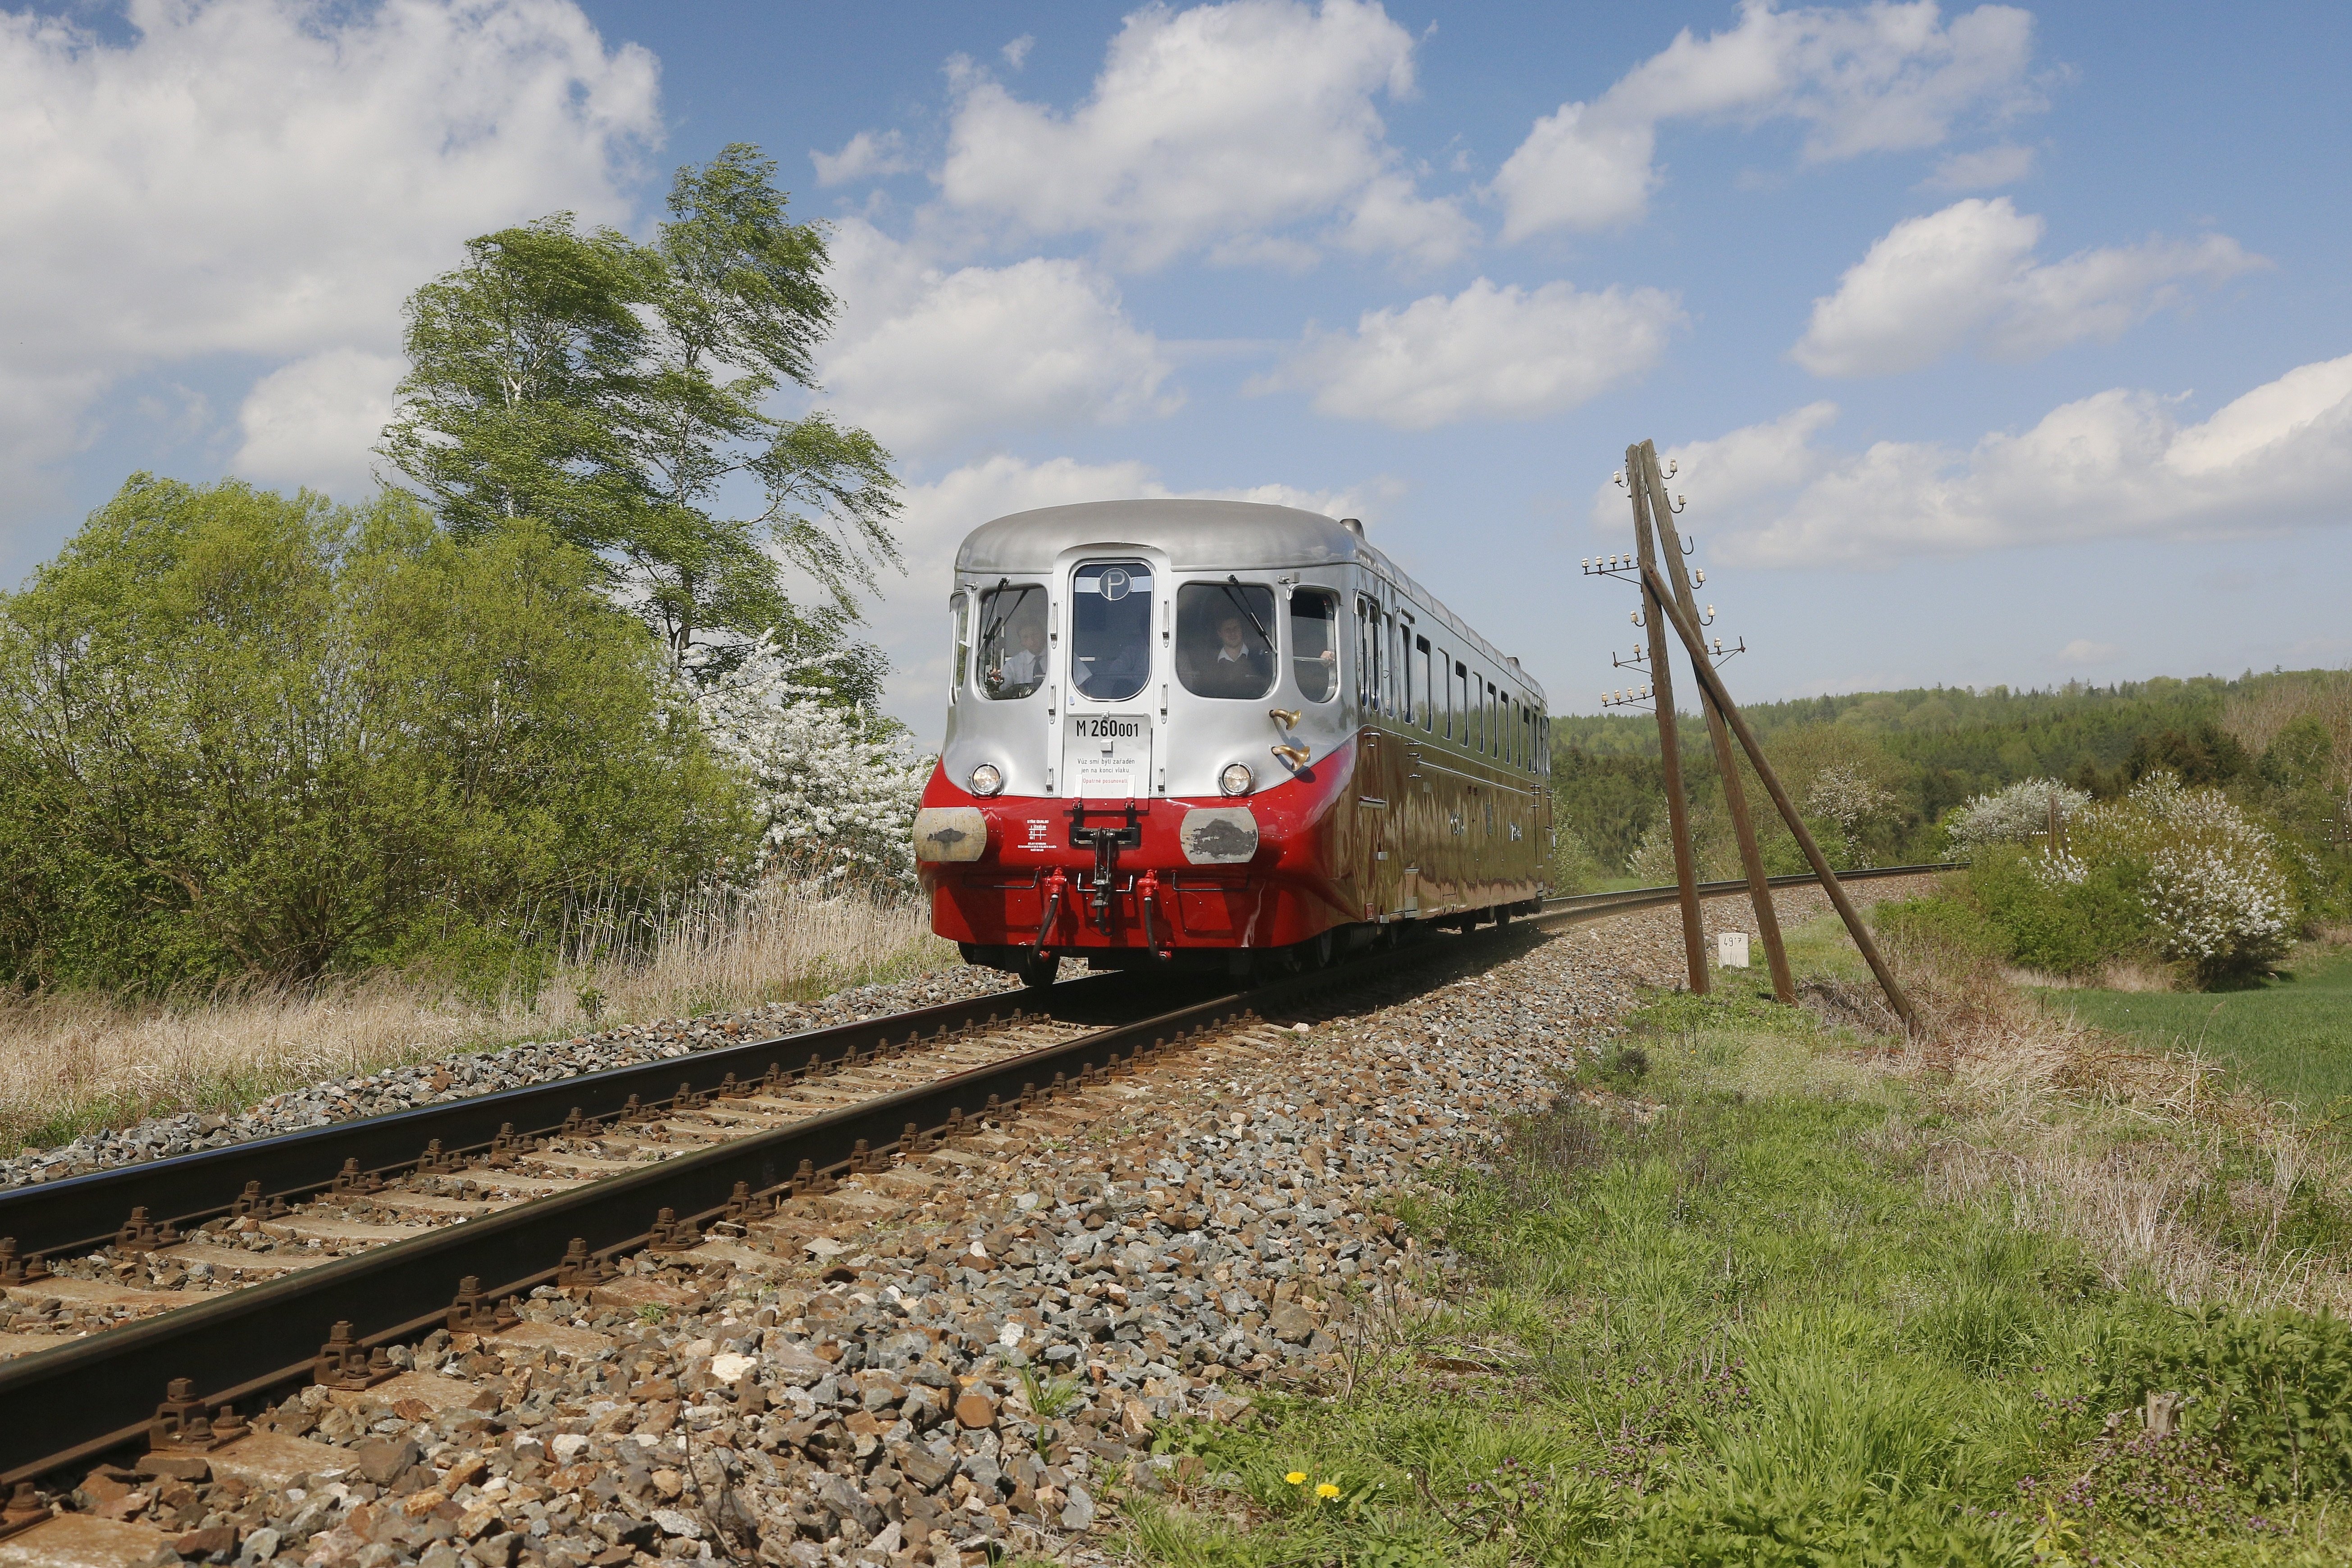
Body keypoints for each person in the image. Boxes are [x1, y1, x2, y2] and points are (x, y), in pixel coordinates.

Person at [1191, 612, 1271, 698]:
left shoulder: (1260, 660)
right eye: (1227, 630)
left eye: (1236, 628)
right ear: (1220, 634)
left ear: (1242, 630)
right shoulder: (1209, 665)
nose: (1232, 633)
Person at [991, 619, 1048, 697]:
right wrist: (995, 683)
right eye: (1025, 637)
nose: (1032, 641)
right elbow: (1003, 691)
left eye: (1035, 635)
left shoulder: (1057, 658)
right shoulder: (1012, 665)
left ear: (1043, 635)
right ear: (1021, 642)